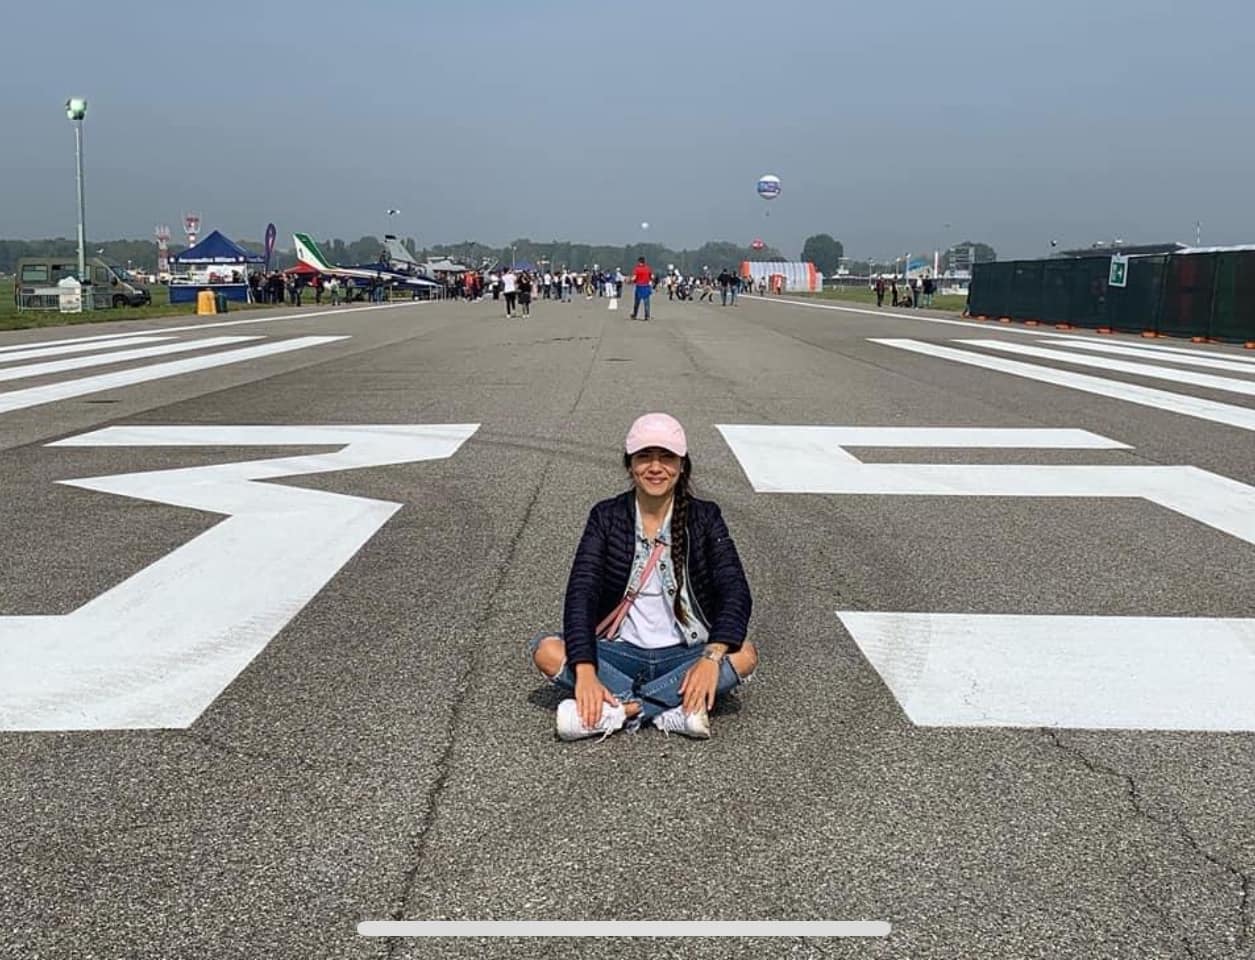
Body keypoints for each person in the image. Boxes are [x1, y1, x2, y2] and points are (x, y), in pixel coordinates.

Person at [529, 413, 758, 741]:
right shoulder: (606, 516)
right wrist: (586, 670)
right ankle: (671, 708)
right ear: (629, 465)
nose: (655, 467)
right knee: (547, 649)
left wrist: (710, 658)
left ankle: (621, 709)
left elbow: (735, 590)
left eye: (666, 457)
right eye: (644, 457)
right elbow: (582, 592)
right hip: (620, 650)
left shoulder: (705, 517)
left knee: (744, 653)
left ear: (682, 465)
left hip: (685, 651)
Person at [630, 256, 653, 320]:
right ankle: (647, 316)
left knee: (637, 302)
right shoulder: (648, 268)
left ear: (639, 262)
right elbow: (652, 276)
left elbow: (634, 277)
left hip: (639, 287)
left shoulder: (637, 269)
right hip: (646, 287)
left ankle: (635, 315)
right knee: (647, 303)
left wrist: (630, 280)